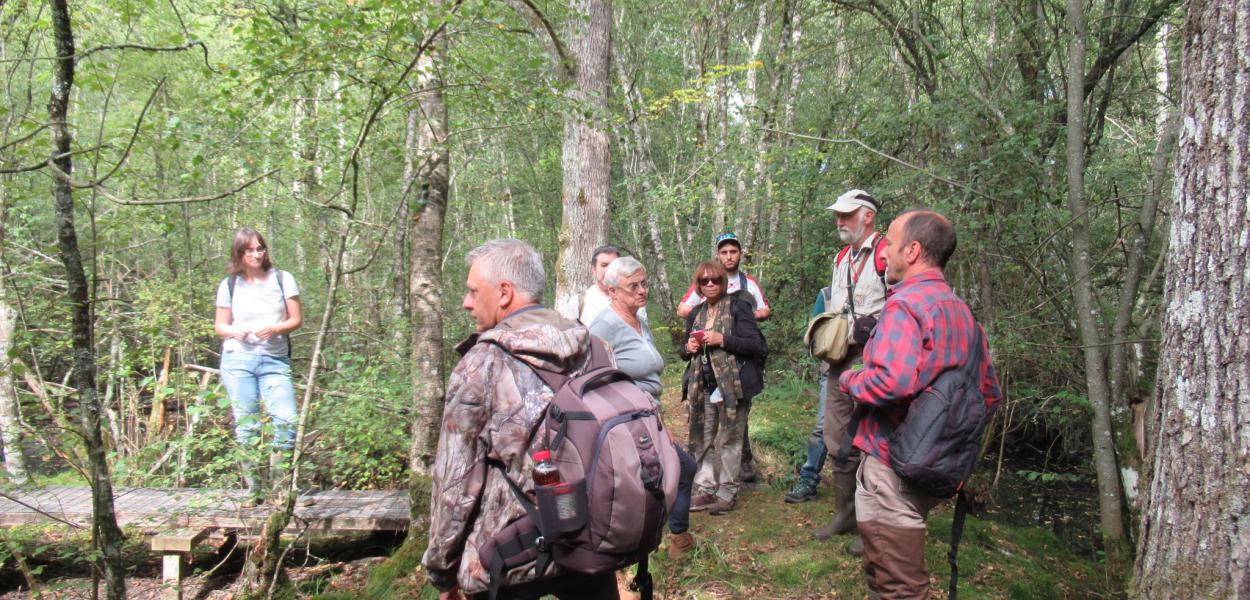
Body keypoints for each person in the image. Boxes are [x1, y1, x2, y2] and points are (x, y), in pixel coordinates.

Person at [422, 239, 618, 600]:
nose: (466, 302)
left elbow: (454, 485)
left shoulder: (482, 364)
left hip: (511, 556)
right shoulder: (596, 346)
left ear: (504, 293)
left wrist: (442, 572)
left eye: (471, 291)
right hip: (593, 539)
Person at [840, 209, 1001, 599]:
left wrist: (850, 378)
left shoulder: (905, 305)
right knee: (887, 572)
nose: (885, 255)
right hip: (935, 466)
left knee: (901, 586)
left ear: (912, 251)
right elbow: (990, 393)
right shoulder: (961, 311)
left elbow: (889, 382)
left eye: (891, 245)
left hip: (891, 465)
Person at [587, 257, 697, 559]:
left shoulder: (639, 320)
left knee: (668, 472)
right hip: (629, 422)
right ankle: (667, 537)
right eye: (632, 286)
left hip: (650, 415)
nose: (641, 291)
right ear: (612, 291)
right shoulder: (602, 328)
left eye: (644, 283)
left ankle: (663, 536)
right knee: (680, 468)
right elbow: (592, 380)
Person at [800, 190, 889, 559]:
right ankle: (846, 514)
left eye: (847, 215)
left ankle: (877, 528)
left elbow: (905, 303)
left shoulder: (886, 254)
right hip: (839, 360)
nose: (839, 221)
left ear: (867, 216)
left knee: (876, 442)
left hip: (875, 360)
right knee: (838, 440)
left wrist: (877, 325)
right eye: (837, 215)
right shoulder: (841, 258)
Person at [214, 228, 303, 507]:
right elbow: (220, 325)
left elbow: (296, 319)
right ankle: (255, 491)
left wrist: (276, 326)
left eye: (259, 248)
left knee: (287, 421)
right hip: (237, 360)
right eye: (249, 250)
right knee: (247, 426)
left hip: (274, 359)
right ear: (239, 253)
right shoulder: (229, 284)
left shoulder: (282, 278)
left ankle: (280, 490)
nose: (255, 254)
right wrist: (233, 331)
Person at [677, 232, 770, 482]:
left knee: (730, 437)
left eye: (715, 280)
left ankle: (728, 488)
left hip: (733, 381)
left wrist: (723, 339)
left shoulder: (740, 303)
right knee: (703, 437)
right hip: (704, 383)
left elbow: (754, 344)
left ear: (723, 283)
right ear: (698, 285)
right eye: (705, 281)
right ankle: (705, 486)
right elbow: (683, 351)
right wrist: (690, 348)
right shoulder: (696, 313)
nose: (710, 284)